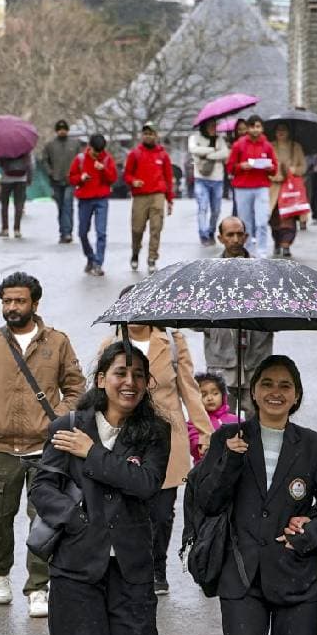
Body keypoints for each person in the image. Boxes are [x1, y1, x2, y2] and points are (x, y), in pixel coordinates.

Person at [190, 355, 317, 635]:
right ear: (253, 392)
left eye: (285, 385)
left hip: (296, 578)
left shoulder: (315, 445)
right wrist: (229, 460)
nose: (276, 392)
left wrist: (308, 532)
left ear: (297, 395)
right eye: (267, 384)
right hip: (242, 576)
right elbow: (208, 502)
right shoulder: (228, 437)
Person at [29, 342, 171, 635]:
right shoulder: (69, 426)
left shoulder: (155, 432)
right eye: (121, 373)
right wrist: (75, 520)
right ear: (101, 379)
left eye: (139, 375)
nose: (130, 382)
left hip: (132, 575)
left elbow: (145, 484)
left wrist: (91, 453)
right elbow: (43, 487)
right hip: (76, 573)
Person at [0, 272, 86, 617]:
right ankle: (0, 575)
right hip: (0, 449)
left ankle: (38, 587)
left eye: (19, 301)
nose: (12, 307)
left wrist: (56, 420)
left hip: (46, 449)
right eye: (6, 301)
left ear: (35, 303)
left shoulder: (56, 342)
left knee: (42, 517)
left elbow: (76, 389)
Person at [98, 306, 213, 595]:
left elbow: (189, 388)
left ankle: (157, 567)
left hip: (166, 436)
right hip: (124, 436)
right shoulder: (109, 345)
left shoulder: (172, 342)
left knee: (162, 512)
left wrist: (204, 431)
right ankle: (132, 565)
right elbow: (99, 392)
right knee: (131, 505)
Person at [201, 217, 273, 417]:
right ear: (220, 238)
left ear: (246, 237)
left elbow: (277, 310)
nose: (235, 239)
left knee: (258, 424)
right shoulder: (209, 273)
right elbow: (194, 316)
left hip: (256, 360)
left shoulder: (263, 273)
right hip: (221, 360)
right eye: (230, 235)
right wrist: (212, 328)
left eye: (239, 234)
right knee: (221, 424)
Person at [124, 122, 175, 274]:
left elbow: (168, 177)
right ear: (142, 135)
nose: (148, 136)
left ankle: (152, 258)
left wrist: (170, 199)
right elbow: (127, 174)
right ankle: (135, 251)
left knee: (156, 228)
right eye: (145, 133)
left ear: (156, 135)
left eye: (151, 133)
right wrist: (133, 181)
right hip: (140, 196)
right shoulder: (135, 154)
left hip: (157, 195)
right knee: (137, 228)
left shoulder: (163, 155)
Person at [227, 115, 277, 254]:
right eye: (252, 126)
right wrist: (241, 166)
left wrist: (269, 167)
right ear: (248, 128)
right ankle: (247, 251)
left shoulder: (267, 146)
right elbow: (230, 167)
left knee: (261, 222)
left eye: (258, 126)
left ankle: (262, 253)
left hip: (261, 186)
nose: (255, 130)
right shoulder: (239, 145)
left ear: (262, 128)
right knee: (245, 223)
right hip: (242, 187)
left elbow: (274, 169)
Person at [69, 133, 117, 277]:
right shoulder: (80, 159)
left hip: (102, 199)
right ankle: (90, 257)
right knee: (82, 232)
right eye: (95, 152)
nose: (97, 154)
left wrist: (103, 169)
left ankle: (98, 263)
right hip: (85, 199)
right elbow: (71, 178)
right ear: (89, 147)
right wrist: (81, 178)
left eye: (100, 152)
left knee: (101, 232)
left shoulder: (107, 159)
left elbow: (113, 179)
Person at [190, 120, 231, 246]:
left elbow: (225, 153)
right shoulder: (195, 137)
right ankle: (203, 234)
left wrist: (207, 155)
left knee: (216, 210)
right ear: (204, 126)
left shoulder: (220, 140)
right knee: (202, 207)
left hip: (217, 179)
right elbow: (193, 149)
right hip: (201, 178)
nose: (213, 128)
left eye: (215, 126)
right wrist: (212, 150)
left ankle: (211, 231)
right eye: (211, 126)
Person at [269, 123, 306, 258]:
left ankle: (286, 244)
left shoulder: (296, 147)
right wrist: (274, 175)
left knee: (289, 218)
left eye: (284, 130)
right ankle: (277, 242)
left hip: (291, 190)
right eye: (278, 130)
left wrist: (293, 170)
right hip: (275, 189)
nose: (281, 132)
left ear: (289, 132)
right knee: (275, 218)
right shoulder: (270, 147)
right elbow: (266, 167)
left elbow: (303, 167)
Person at [43, 119, 82, 244]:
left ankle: (67, 232)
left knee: (68, 204)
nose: (62, 131)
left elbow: (80, 160)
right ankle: (63, 231)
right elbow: (45, 161)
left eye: (64, 129)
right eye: (60, 129)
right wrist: (50, 172)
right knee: (61, 207)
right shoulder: (50, 145)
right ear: (56, 131)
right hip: (56, 180)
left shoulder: (75, 144)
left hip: (70, 180)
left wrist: (78, 174)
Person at [189, 372, 239, 465]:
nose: (210, 398)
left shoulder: (236, 420)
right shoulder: (196, 421)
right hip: (205, 469)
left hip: (232, 469)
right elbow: (193, 438)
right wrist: (201, 445)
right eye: (204, 395)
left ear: (223, 396)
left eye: (215, 393)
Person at [0, 152, 33, 239]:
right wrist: (30, 178)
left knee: (4, 204)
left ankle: (5, 229)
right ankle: (17, 230)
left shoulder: (4, 149)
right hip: (21, 179)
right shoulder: (25, 148)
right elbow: (30, 165)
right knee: (19, 204)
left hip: (6, 179)